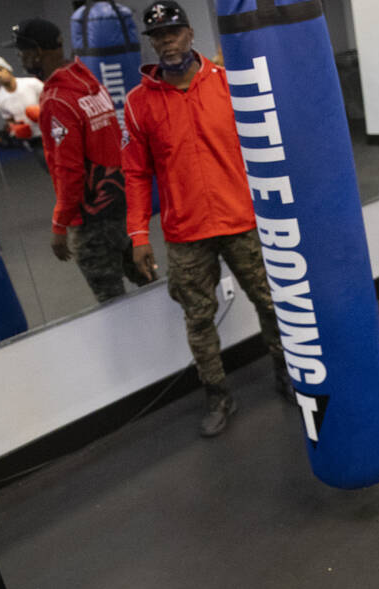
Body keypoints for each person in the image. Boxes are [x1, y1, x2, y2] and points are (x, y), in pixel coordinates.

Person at [122, 0, 292, 438]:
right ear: (153, 44)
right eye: (159, 36)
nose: (168, 42)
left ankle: (286, 373)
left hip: (241, 220)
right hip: (185, 232)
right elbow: (136, 174)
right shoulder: (139, 104)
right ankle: (218, 395)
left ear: (190, 33)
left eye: (174, 32)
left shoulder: (227, 83)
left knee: (271, 304)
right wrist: (139, 233)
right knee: (198, 319)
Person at [6, 18, 146, 303]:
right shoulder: (88, 81)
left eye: (22, 51)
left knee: (112, 303)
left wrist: (60, 225)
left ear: (37, 52)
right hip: (119, 202)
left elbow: (69, 170)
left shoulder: (57, 99)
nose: (20, 58)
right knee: (147, 279)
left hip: (92, 218)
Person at [0, 54, 44, 142]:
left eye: (0, 69)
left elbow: (54, 102)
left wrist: (42, 113)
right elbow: (10, 121)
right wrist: (15, 129)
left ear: (8, 69)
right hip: (32, 140)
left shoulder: (33, 83)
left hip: (51, 132)